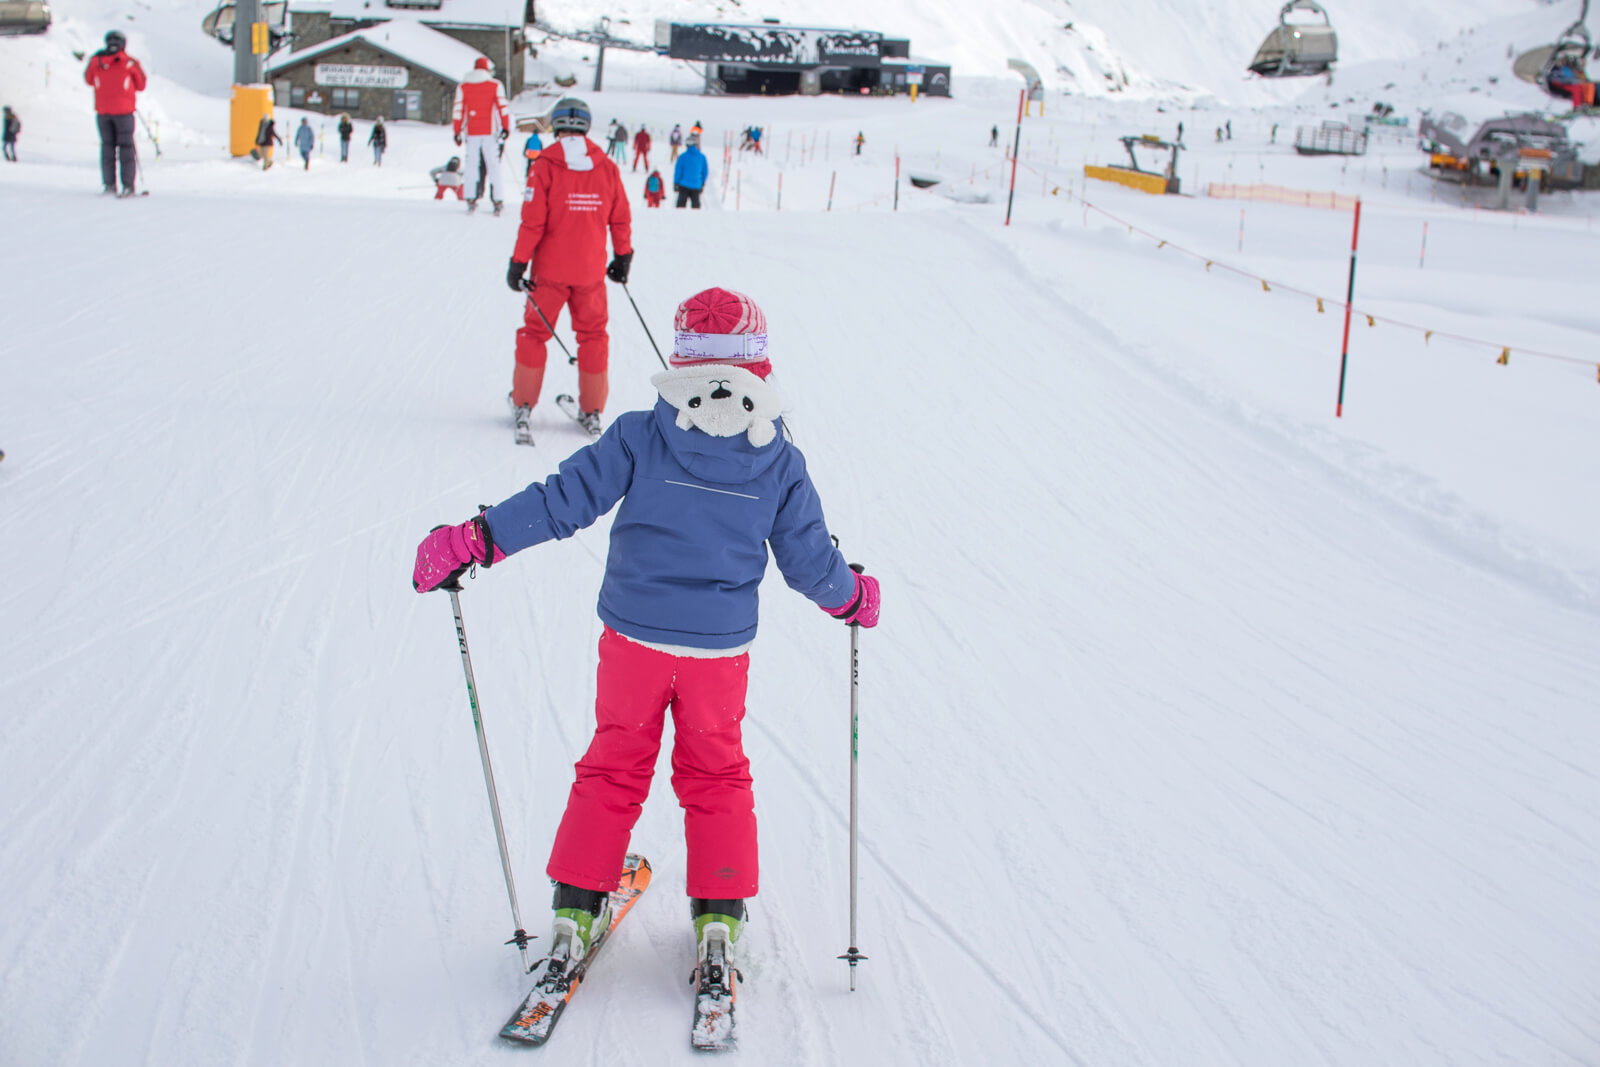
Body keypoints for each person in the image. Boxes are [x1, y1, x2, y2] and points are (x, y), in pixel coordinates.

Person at [410, 285, 883, 997]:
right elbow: (809, 562)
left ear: (680, 358)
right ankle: (719, 918)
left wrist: (477, 538)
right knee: (716, 772)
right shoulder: (779, 460)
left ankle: (574, 910)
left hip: (632, 641)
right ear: (759, 365)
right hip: (718, 656)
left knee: (614, 762)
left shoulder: (640, 433)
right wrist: (852, 596)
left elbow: (560, 501)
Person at [504, 97, 632, 441]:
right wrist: (623, 257)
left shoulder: (545, 165)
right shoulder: (605, 167)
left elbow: (532, 222)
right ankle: (592, 410)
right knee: (593, 336)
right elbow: (619, 217)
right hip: (589, 274)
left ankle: (523, 403)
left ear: (556, 125)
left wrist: (518, 263)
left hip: (549, 272)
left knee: (534, 333)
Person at [83, 30, 147, 196]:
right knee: (126, 148)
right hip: (124, 112)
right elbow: (141, 84)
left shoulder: (96, 61)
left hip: (103, 112)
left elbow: (88, 80)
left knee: (107, 148)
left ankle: (109, 185)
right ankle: (128, 186)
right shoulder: (129, 62)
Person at [452, 55, 511, 214]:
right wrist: (505, 128)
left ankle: (470, 197)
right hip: (490, 132)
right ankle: (497, 199)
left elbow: (458, 111)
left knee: (472, 165)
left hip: (471, 132)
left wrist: (456, 131)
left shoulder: (463, 86)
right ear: (486, 69)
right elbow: (502, 108)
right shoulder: (495, 85)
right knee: (493, 165)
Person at [673, 132, 708, 209]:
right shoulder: (702, 157)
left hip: (683, 185)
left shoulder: (682, 157)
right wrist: (702, 182)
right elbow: (705, 172)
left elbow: (678, 171)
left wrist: (676, 183)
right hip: (696, 185)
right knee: (696, 208)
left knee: (680, 207)